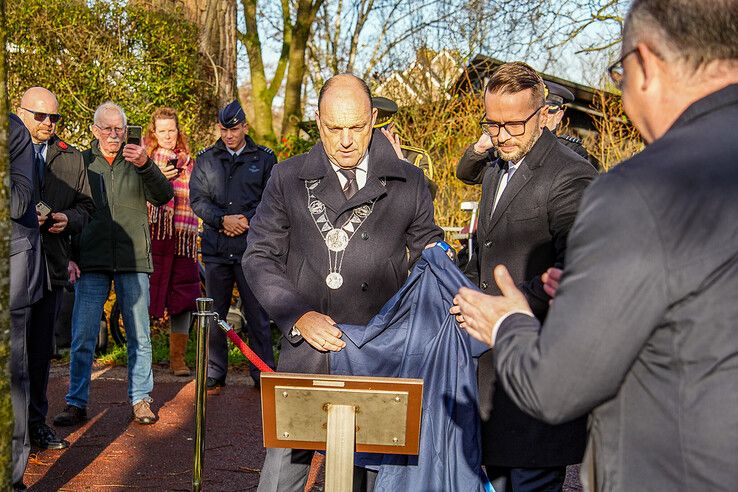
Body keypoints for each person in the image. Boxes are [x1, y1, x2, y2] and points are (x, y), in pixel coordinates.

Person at [451, 0, 738, 490]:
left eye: (619, 74)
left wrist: (510, 321)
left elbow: (557, 386)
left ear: (644, 64)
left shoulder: (637, 191)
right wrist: (602, 287)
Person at [243, 73, 443, 492]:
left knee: (370, 479)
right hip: (308, 350)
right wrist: (297, 316)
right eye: (335, 129)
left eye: (357, 127)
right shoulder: (287, 177)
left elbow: (431, 255)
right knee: (281, 478)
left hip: (377, 354)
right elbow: (260, 256)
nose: (347, 140)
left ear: (374, 120)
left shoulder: (410, 183)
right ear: (318, 122)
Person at [455, 62, 596, 492]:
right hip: (488, 380)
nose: (501, 136)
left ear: (542, 114)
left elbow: (576, 271)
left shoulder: (571, 174)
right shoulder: (496, 167)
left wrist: (498, 310)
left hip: (538, 377)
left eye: (514, 124)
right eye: (492, 123)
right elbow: (488, 250)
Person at [53, 102, 173, 427]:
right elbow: (70, 210)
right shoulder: (82, 163)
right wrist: (72, 258)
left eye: (118, 128)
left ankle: (141, 399)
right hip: (91, 260)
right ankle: (76, 402)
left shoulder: (137, 160)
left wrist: (147, 164)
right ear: (94, 130)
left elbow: (164, 196)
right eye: (106, 128)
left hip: (133, 260)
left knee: (140, 335)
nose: (113, 134)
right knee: (83, 335)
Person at [17, 87, 94, 450]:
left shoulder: (70, 157)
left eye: (54, 117)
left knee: (39, 353)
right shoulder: (10, 152)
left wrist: (69, 219)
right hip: (13, 269)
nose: (48, 123)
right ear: (21, 112)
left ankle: (36, 426)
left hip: (50, 265)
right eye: (40, 116)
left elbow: (86, 207)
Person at [189, 100, 276, 393]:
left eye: (234, 129)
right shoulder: (206, 159)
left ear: (245, 128)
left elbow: (271, 200)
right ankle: (215, 370)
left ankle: (262, 370)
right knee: (215, 315)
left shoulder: (264, 158)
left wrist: (245, 221)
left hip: (252, 249)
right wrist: (222, 220)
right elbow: (198, 200)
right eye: (224, 129)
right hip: (216, 247)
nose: (229, 135)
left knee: (257, 314)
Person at [144, 107, 200, 376]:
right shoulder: (145, 160)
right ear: (154, 132)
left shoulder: (189, 162)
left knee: (183, 295)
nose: (167, 135)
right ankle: (143, 356)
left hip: (182, 237)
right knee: (145, 296)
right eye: (162, 130)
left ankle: (177, 359)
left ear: (178, 131)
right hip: (154, 235)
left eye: (171, 129)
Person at [9, 113, 44, 491]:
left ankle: (12, 477)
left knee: (11, 376)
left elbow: (20, 199)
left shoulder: (14, 131)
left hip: (12, 266)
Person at [371, 96, 438, 199]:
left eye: (380, 133)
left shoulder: (416, 158)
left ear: (391, 129)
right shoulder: (352, 157)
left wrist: (402, 163)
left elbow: (427, 195)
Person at [543, 80, 594, 165]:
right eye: (537, 112)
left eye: (548, 113)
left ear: (558, 116)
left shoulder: (572, 150)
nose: (542, 117)